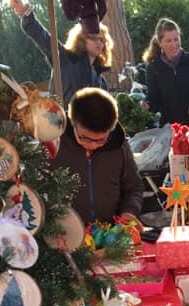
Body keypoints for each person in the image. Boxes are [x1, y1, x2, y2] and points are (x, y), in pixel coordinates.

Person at [50, 88, 143, 224]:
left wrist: (129, 211)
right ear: (73, 123)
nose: (92, 145)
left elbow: (133, 187)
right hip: (64, 235)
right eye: (84, 138)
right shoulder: (54, 142)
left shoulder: (119, 144)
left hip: (112, 235)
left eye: (100, 140)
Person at [9, 0, 112, 107]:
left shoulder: (100, 80)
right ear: (81, 39)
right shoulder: (65, 58)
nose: (99, 42)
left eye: (102, 39)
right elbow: (43, 37)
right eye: (93, 38)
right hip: (62, 123)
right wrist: (25, 13)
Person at [142, 18, 189, 126]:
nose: (174, 44)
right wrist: (147, 105)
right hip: (170, 129)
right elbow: (154, 97)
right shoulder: (153, 68)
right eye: (169, 41)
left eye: (176, 39)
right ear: (160, 43)